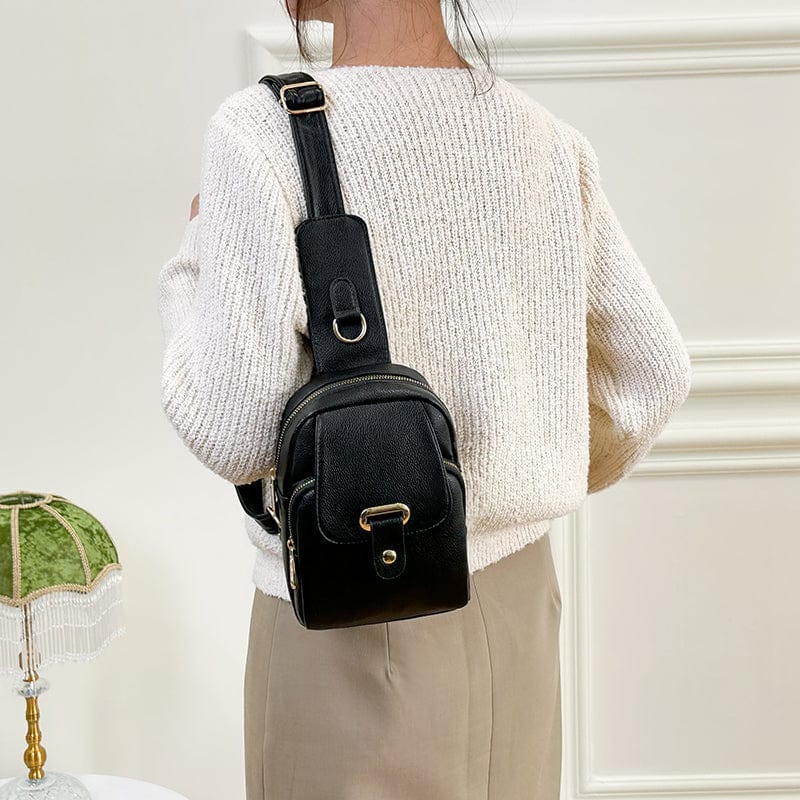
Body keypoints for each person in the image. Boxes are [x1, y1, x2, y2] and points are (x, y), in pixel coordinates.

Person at [157, 0, 692, 796]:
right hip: (517, 608)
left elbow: (230, 430)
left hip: (344, 611)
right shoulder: (544, 140)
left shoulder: (260, 135)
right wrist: (511, 477)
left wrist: (192, 261)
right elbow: (653, 376)